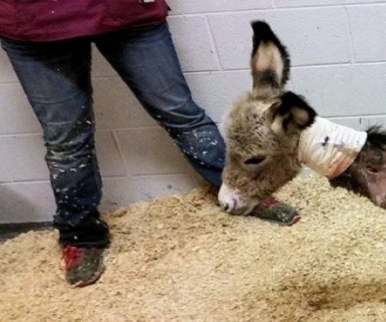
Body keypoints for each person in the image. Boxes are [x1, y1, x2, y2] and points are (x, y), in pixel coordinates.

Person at [0, 0, 297, 287]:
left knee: (180, 113)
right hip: (33, 22)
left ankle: (245, 191)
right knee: (66, 140)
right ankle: (80, 235)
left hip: (125, 11)